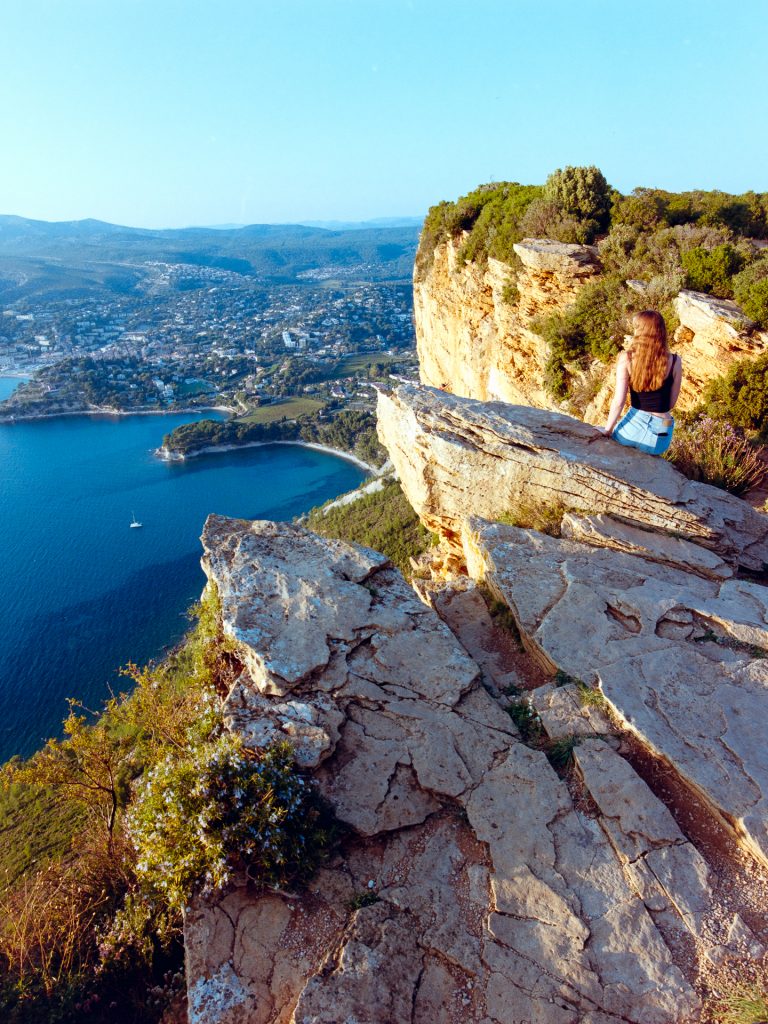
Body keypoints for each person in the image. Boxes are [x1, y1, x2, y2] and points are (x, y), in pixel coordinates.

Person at [600, 310, 682, 456]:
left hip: (632, 428)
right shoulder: (675, 361)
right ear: (661, 331)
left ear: (639, 331)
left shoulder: (627, 358)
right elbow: (670, 404)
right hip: (661, 435)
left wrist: (607, 430)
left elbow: (619, 402)